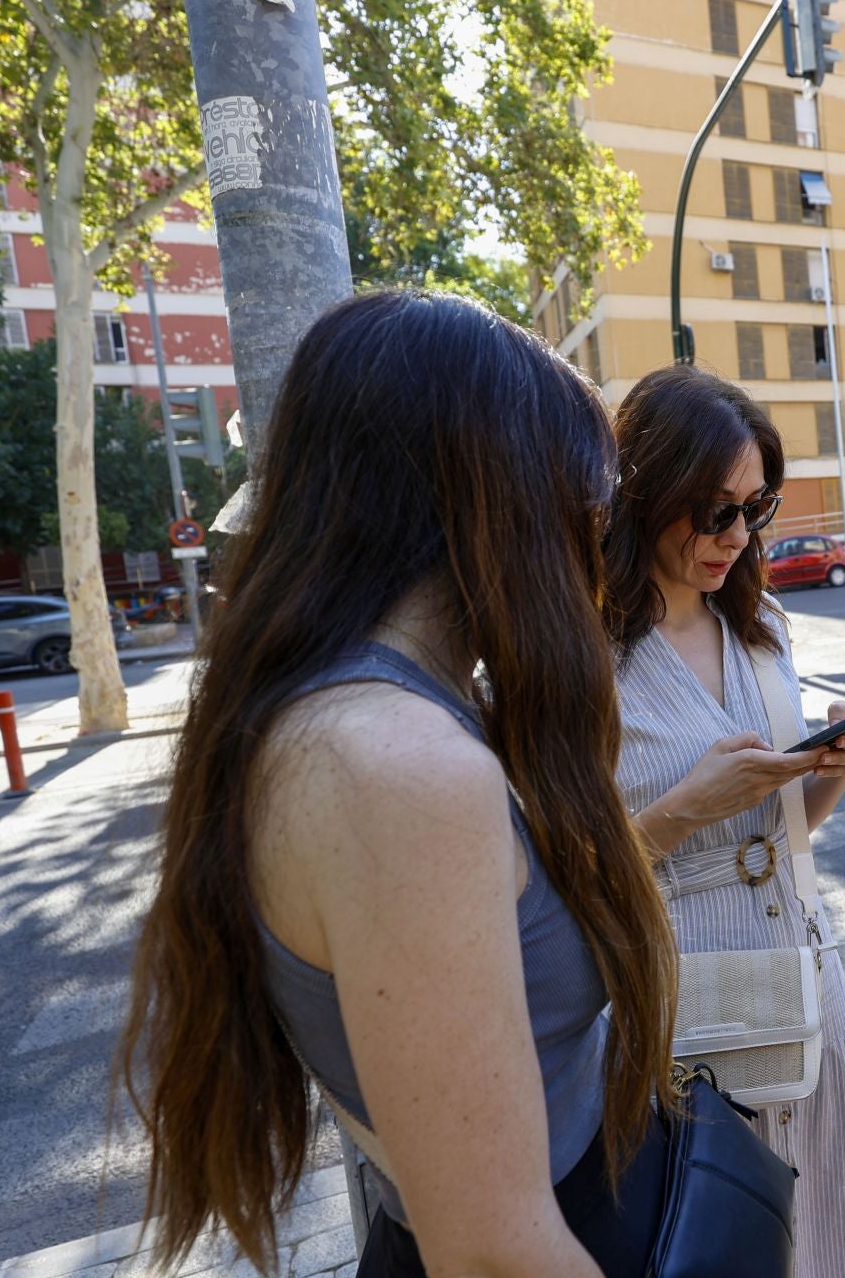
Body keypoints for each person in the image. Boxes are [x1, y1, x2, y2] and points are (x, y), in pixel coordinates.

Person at [118, 290, 680, 1276]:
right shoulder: (391, 761)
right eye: (593, 501)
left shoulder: (354, 714)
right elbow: (498, 1250)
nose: (598, 540)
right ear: (503, 494)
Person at [602, 364, 845, 1278]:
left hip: (805, 984)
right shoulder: (580, 652)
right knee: (716, 1238)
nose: (734, 534)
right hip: (682, 1007)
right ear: (645, 490)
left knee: (833, 1235)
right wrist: (688, 808)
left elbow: (780, 836)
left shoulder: (761, 623)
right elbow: (550, 876)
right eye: (712, 508)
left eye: (754, 509)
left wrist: (833, 771)